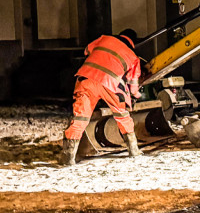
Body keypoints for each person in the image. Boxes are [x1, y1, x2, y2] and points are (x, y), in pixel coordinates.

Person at [61, 29, 143, 165]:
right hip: (110, 83)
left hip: (85, 78)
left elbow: (87, 50)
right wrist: (136, 95)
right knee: (122, 115)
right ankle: (133, 150)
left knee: (80, 117)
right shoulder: (133, 57)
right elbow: (133, 85)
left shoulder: (104, 39)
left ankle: (68, 157)